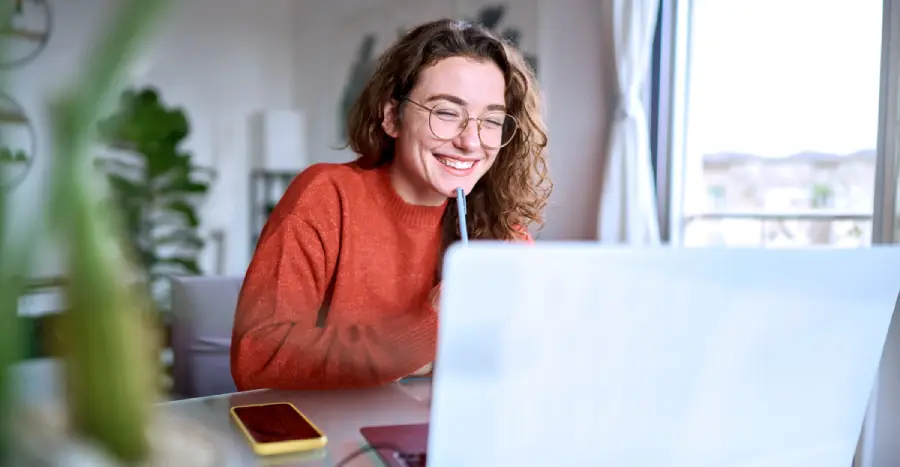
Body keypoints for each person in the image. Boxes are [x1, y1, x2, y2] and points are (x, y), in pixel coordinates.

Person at [230, 18, 551, 390]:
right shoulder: (325, 196)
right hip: (329, 439)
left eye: (491, 120)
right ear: (391, 117)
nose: (471, 141)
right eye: (446, 112)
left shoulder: (501, 231)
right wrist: (429, 328)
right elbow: (258, 358)